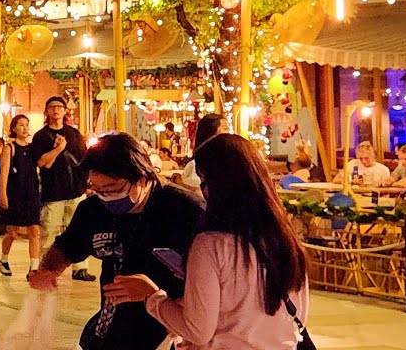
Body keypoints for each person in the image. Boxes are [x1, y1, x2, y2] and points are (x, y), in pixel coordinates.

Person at [105, 134, 309, 349]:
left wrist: (151, 297)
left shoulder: (211, 245)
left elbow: (197, 330)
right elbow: (299, 318)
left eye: (204, 180)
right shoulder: (286, 240)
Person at [29, 132, 204, 350]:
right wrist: (48, 270)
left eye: (112, 189)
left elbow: (215, 278)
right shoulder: (92, 210)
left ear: (142, 177)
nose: (106, 197)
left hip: (169, 330)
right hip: (111, 329)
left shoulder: (183, 210)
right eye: (98, 190)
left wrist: (157, 297)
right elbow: (67, 247)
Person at [31, 96, 95, 282]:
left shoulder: (74, 134)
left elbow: (84, 159)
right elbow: (43, 163)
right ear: (47, 111)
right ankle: (48, 269)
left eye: (59, 106)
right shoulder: (41, 136)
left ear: (65, 111)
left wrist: (87, 184)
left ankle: (80, 268)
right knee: (50, 230)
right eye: (52, 107)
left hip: (76, 190)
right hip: (54, 192)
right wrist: (59, 149)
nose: (56, 110)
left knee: (80, 229)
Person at [0, 114, 42, 279]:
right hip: (15, 193)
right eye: (20, 125)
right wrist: (3, 193)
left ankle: (34, 267)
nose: (24, 128)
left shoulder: (32, 149)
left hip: (31, 193)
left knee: (34, 230)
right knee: (12, 231)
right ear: (14, 128)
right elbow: (4, 171)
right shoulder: (10, 147)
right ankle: (4, 258)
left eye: (26, 125)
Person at [176, 113, 229, 193]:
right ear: (211, 132)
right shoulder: (194, 166)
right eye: (225, 128)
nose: (228, 133)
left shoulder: (229, 160)